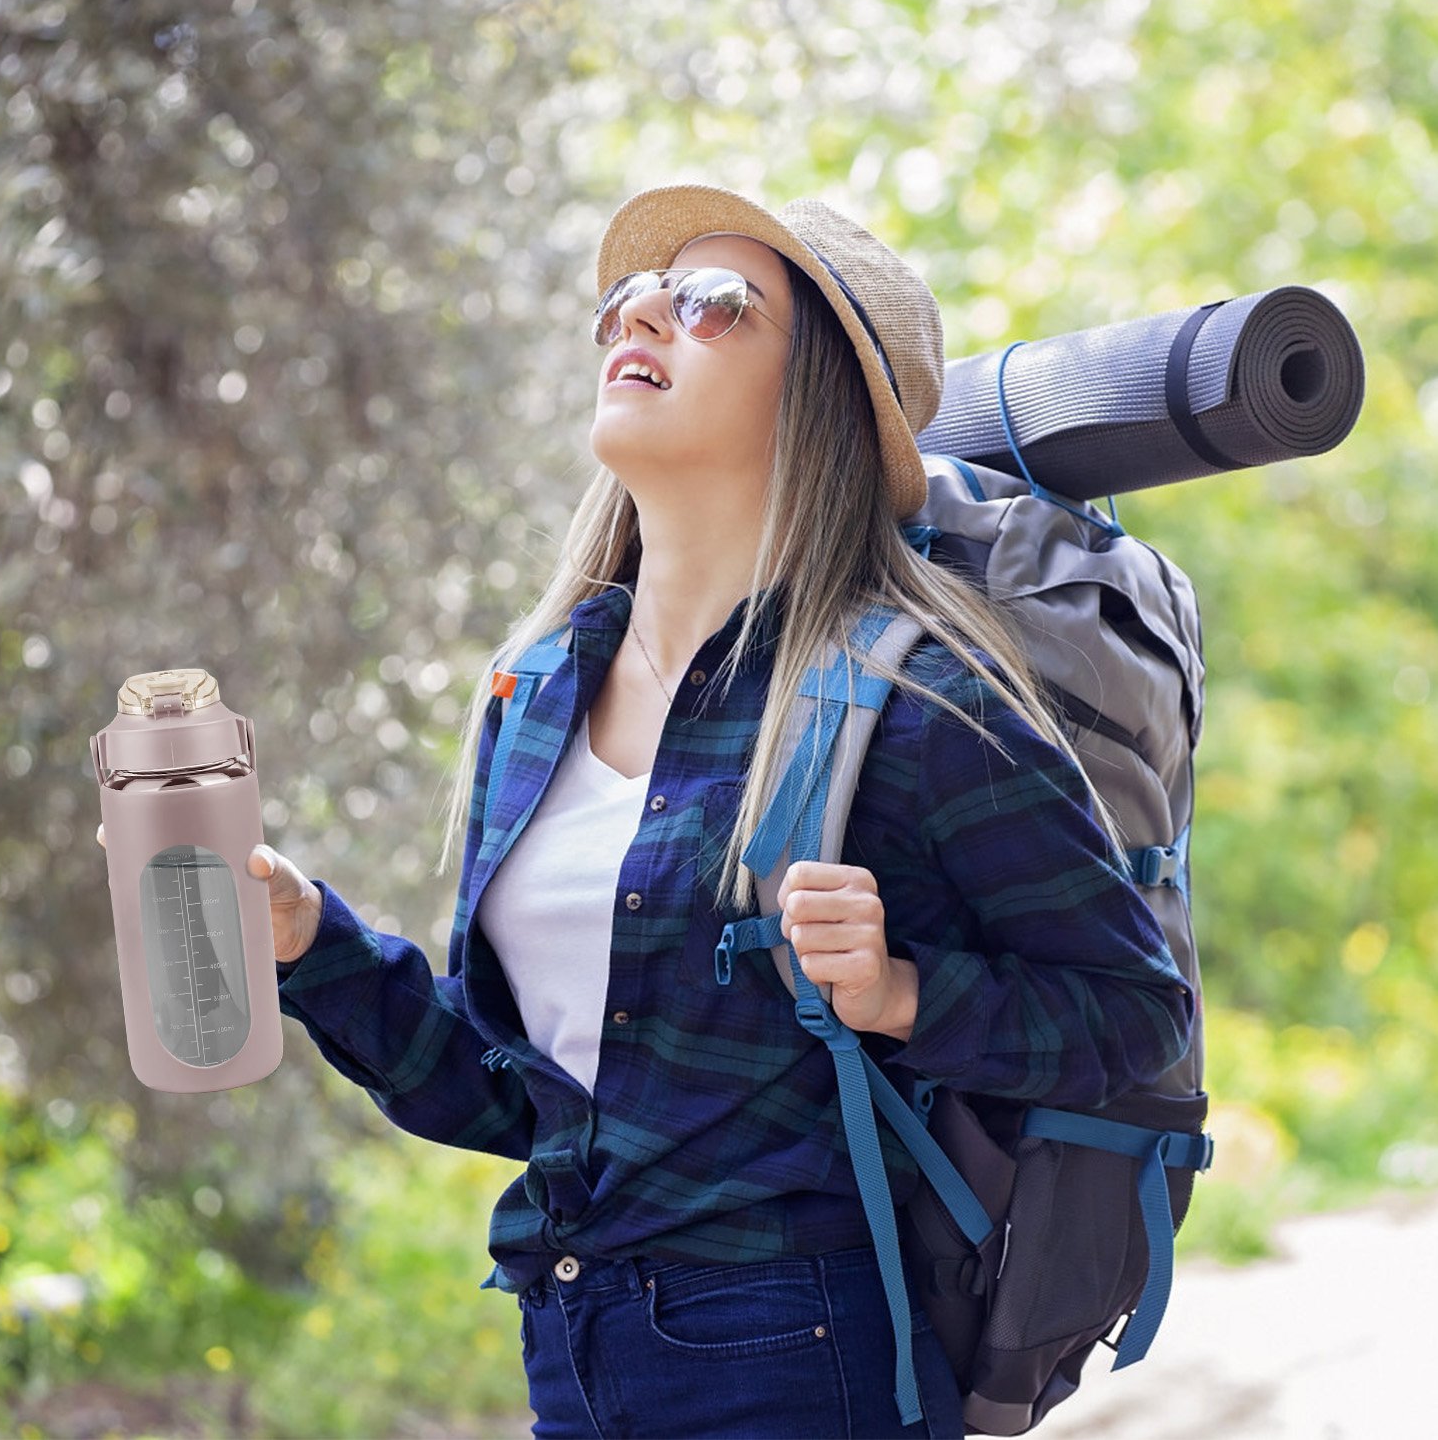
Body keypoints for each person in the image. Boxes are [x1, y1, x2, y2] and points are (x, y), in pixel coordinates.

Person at [118, 184, 1194, 1438]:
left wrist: (902, 993)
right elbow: (515, 1095)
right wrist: (311, 941)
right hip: (571, 1349)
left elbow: (1136, 1018)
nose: (640, 317)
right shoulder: (534, 694)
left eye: (713, 303)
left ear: (820, 396)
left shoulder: (920, 703)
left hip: (799, 1368)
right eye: (632, 299)